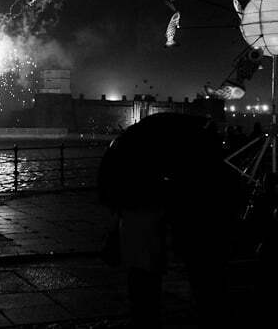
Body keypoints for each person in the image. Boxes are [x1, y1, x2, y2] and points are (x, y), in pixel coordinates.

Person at [98, 113, 244, 326]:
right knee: (198, 265)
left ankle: (148, 314)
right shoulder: (194, 149)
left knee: (146, 265)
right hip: (144, 191)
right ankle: (208, 310)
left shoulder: (142, 144)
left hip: (136, 189)